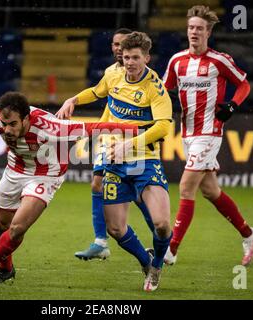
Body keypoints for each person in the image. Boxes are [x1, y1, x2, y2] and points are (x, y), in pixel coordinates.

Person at [0, 91, 139, 285]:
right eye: (5, 124)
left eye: (13, 124)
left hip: (46, 176)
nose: (6, 130)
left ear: (25, 119)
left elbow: (95, 127)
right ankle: (6, 269)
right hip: (15, 170)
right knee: (1, 225)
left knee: (17, 228)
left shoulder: (52, 128)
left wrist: (138, 132)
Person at [57, 32, 173, 292]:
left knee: (163, 225)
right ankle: (147, 262)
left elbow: (164, 127)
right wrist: (73, 99)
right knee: (116, 229)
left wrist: (128, 144)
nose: (129, 62)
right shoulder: (113, 74)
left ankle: (158, 266)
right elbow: (97, 91)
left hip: (144, 159)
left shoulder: (155, 88)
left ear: (147, 58)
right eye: (126, 56)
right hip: (114, 160)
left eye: (135, 57)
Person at [161, 5, 253, 267]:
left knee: (186, 187)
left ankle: (170, 249)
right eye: (191, 28)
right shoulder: (176, 61)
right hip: (187, 133)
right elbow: (164, 91)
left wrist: (232, 105)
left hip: (210, 132)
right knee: (210, 190)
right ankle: (249, 234)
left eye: (199, 28)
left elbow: (243, 83)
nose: (194, 32)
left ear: (208, 32)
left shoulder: (220, 60)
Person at [74, 28, 155, 261]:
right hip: (110, 140)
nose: (117, 48)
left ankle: (161, 238)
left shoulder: (144, 79)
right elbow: (108, 105)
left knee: (139, 196)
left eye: (122, 44)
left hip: (133, 143)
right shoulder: (111, 73)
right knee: (97, 184)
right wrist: (96, 133)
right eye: (114, 44)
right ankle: (101, 242)